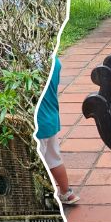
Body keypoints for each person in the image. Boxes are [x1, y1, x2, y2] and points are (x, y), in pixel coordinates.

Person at [35, 58, 79, 206]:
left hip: (38, 122)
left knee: (37, 163)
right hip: (51, 119)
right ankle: (67, 193)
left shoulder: (24, 64)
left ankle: (40, 201)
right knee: (54, 158)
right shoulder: (55, 62)